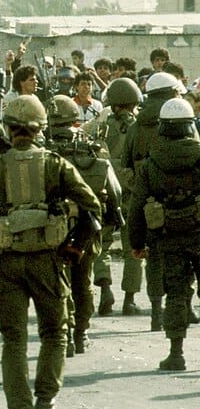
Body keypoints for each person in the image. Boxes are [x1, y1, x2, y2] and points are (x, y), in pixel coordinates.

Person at [0, 94, 100, 409]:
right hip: (49, 263)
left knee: (13, 340)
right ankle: (45, 404)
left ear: (9, 129)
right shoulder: (56, 165)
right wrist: (76, 247)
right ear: (39, 129)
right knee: (55, 333)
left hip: (6, 264)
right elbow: (93, 207)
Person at [128, 97, 200, 371]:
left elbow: (136, 208)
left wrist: (136, 243)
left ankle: (176, 353)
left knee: (177, 294)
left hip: (169, 238)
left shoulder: (150, 164)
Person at [45, 95, 122, 355]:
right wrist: (110, 218)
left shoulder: (41, 149)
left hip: (51, 225)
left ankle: (63, 335)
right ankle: (81, 333)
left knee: (58, 281)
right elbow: (114, 191)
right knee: (82, 280)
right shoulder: (93, 147)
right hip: (86, 226)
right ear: (76, 118)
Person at [121, 71, 185, 330]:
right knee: (182, 259)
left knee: (154, 259)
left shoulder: (136, 127)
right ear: (171, 93)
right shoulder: (182, 123)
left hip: (148, 205)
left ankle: (156, 312)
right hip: (181, 203)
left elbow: (125, 166)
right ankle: (183, 308)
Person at [89, 77, 144, 316]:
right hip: (132, 193)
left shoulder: (99, 125)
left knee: (101, 242)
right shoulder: (141, 127)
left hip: (105, 191)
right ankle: (130, 299)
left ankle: (105, 289)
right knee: (134, 246)